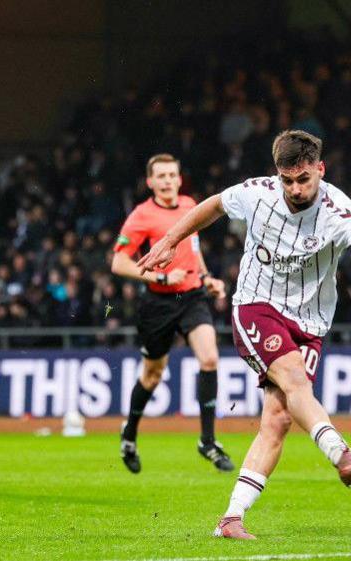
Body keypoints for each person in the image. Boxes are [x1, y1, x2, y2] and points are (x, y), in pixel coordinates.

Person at [137, 130, 351, 540]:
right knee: (293, 379)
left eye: (303, 180)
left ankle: (231, 518)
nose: (295, 189)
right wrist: (172, 239)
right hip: (257, 306)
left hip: (310, 323)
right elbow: (212, 207)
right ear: (277, 174)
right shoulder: (257, 193)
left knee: (278, 418)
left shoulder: (336, 209)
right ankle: (339, 452)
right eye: (287, 180)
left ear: (319, 169)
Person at [111, 153, 232, 474]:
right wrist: (160, 277)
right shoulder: (141, 216)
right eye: (160, 176)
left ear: (179, 179)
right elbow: (119, 263)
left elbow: (193, 248)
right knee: (152, 374)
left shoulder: (190, 205)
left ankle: (207, 440)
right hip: (158, 303)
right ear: (150, 182)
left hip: (192, 296)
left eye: (171, 175)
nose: (167, 181)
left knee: (209, 358)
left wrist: (206, 279)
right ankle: (130, 433)